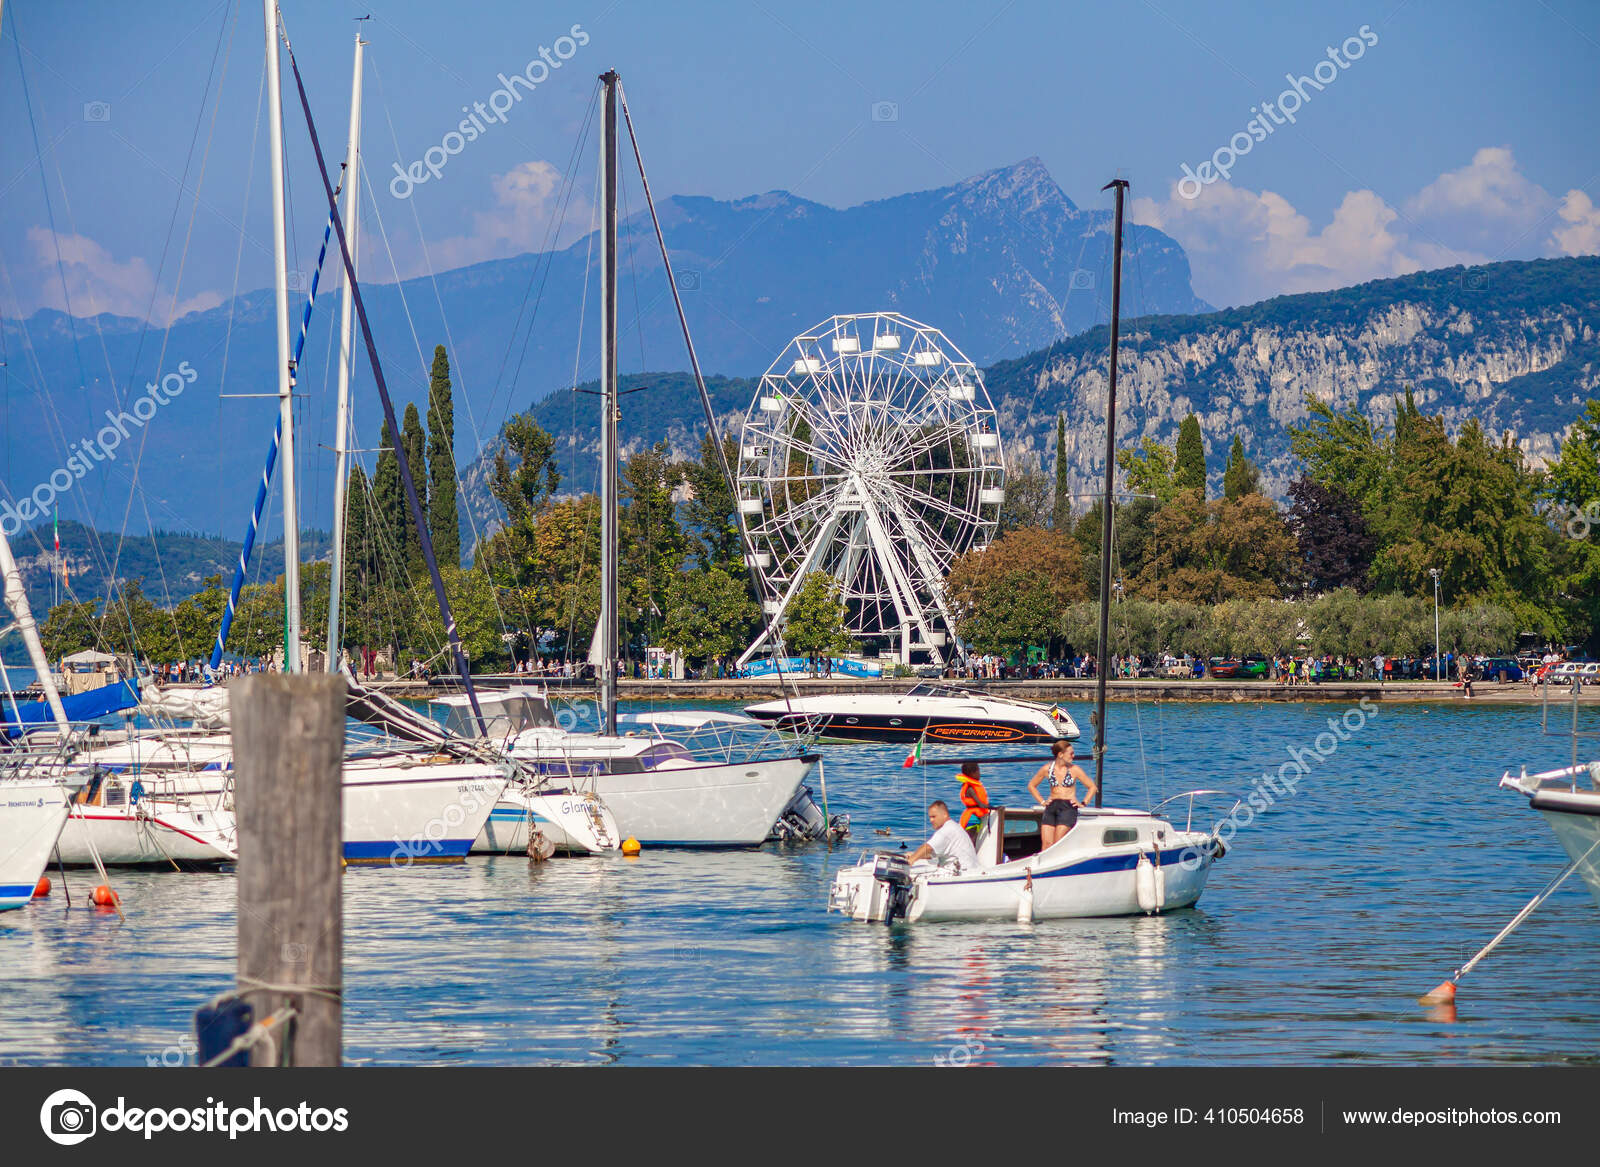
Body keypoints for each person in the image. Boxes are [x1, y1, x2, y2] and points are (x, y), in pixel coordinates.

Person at [1027, 740, 1098, 849]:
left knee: (1057, 843)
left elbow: (1092, 787)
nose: (1073, 756)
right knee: (1047, 844)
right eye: (1071, 753)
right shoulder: (1047, 769)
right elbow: (1031, 786)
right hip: (1051, 806)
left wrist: (1083, 803)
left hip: (1068, 807)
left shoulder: (1075, 770)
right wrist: (1042, 801)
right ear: (1060, 754)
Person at [905, 800, 980, 873]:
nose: (931, 820)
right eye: (930, 817)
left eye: (934, 817)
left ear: (945, 815)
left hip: (964, 872)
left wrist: (911, 860)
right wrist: (914, 854)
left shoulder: (947, 830)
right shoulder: (952, 826)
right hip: (967, 869)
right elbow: (932, 853)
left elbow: (928, 847)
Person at [956, 760, 990, 837]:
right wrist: (993, 807)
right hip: (972, 819)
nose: (979, 774)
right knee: (971, 840)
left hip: (974, 817)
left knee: (972, 840)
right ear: (972, 773)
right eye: (978, 771)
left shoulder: (968, 785)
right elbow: (981, 805)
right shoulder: (970, 788)